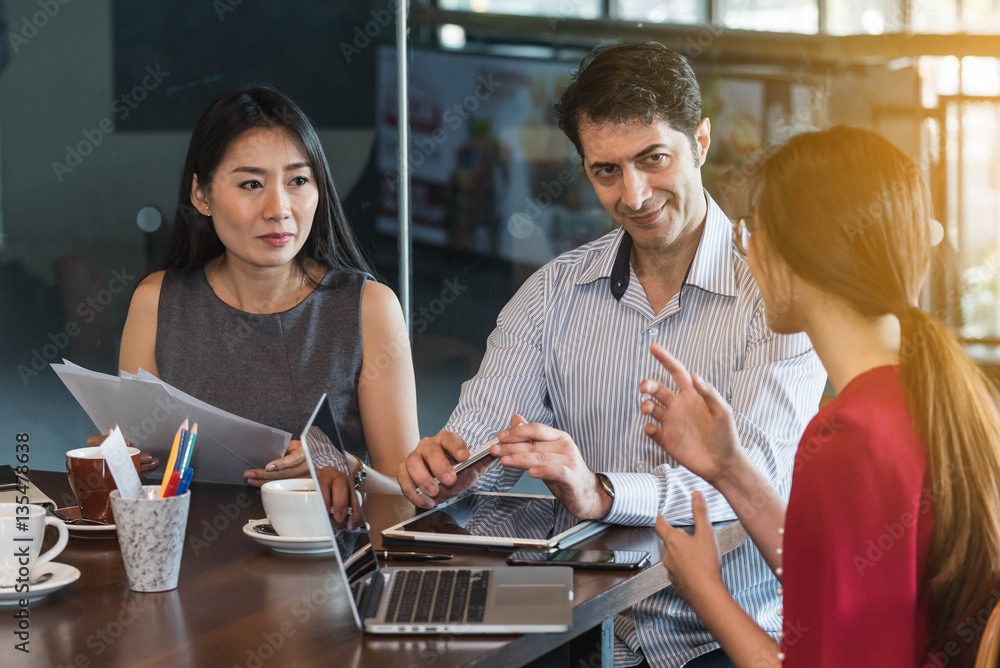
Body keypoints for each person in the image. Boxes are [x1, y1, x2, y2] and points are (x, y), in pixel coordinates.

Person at [398, 43, 826, 667]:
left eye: (654, 159)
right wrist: (450, 468)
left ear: (700, 141)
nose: (635, 194)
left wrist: (601, 492)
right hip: (576, 624)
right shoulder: (552, 294)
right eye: (606, 171)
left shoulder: (775, 293)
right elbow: (484, 436)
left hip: (725, 637)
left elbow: (754, 476)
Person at [643, 126, 1000, 666]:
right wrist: (730, 468)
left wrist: (705, 591)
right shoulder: (942, 394)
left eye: (752, 230)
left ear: (798, 251)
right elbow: (845, 580)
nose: (747, 252)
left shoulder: (847, 440)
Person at [100, 86, 418, 514]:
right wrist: (118, 464)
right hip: (191, 564)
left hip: (321, 564)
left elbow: (407, 495)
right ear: (202, 195)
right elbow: (139, 482)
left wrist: (351, 470)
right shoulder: (156, 301)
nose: (279, 208)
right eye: (251, 183)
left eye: (298, 181)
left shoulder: (369, 308)